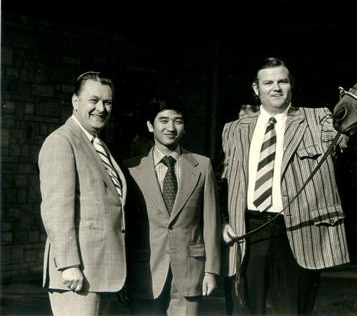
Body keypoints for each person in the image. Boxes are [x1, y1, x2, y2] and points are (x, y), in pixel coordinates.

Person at [221, 57, 350, 315]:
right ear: (256, 89)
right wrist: (224, 220)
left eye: (282, 81)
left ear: (291, 86)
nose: (276, 87)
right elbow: (226, 180)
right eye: (268, 82)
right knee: (245, 309)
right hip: (249, 231)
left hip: (298, 232)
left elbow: (344, 135)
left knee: (292, 310)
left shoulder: (316, 119)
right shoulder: (233, 129)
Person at [39, 71, 127, 316]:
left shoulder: (98, 144)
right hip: (77, 277)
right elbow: (57, 210)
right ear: (75, 102)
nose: (101, 108)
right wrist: (68, 265)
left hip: (102, 274)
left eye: (107, 102)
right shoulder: (62, 141)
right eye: (93, 100)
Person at [124, 98, 221, 316]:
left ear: (184, 126)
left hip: (190, 272)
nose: (170, 127)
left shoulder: (202, 166)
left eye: (177, 121)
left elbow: (211, 221)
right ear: (150, 125)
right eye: (163, 120)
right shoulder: (131, 169)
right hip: (144, 273)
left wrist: (211, 271)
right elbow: (126, 226)